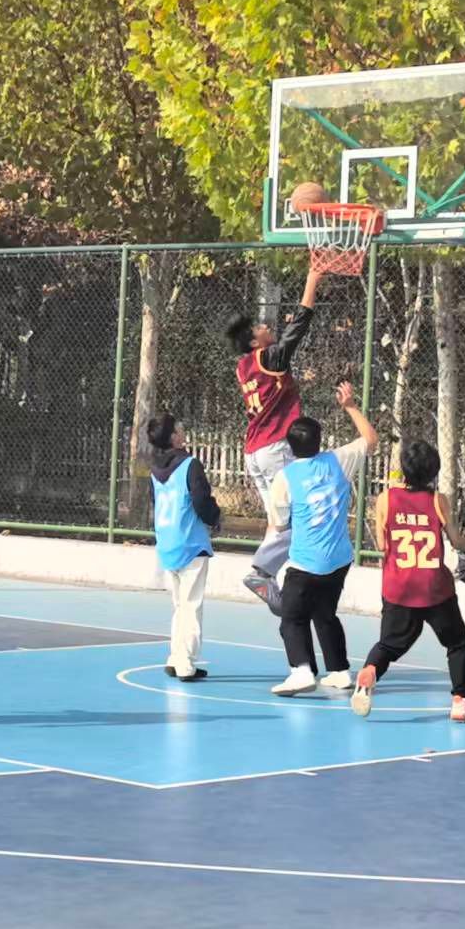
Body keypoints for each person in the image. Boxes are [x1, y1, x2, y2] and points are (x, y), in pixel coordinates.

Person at [351, 438, 465, 721]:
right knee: (456, 644)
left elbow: (381, 545)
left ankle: (370, 670)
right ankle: (460, 702)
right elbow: (456, 541)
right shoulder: (438, 501)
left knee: (389, 645)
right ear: (433, 471)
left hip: (399, 586)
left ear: (403, 468)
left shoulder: (386, 499)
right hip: (434, 588)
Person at [267, 381, 378, 697]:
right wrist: (350, 406)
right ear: (320, 441)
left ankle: (301, 670)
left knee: (291, 618)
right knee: (325, 613)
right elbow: (371, 439)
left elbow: (278, 524)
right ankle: (340, 671)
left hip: (306, 561)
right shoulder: (338, 460)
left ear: (290, 447)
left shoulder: (285, 477)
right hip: (339, 559)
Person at [227, 265, 323, 613]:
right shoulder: (270, 357)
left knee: (279, 521)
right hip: (274, 448)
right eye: (260, 328)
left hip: (254, 450)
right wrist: (312, 279)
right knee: (300, 516)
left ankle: (268, 575)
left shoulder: (244, 365)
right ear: (256, 342)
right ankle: (263, 571)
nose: (266, 327)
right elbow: (300, 325)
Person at [147, 411, 223, 682]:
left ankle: (175, 657)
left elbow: (155, 502)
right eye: (179, 429)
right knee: (191, 605)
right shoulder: (190, 465)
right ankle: (186, 663)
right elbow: (202, 500)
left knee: (180, 604)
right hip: (190, 543)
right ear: (173, 438)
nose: (182, 432)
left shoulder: (154, 470)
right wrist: (215, 518)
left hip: (168, 542)